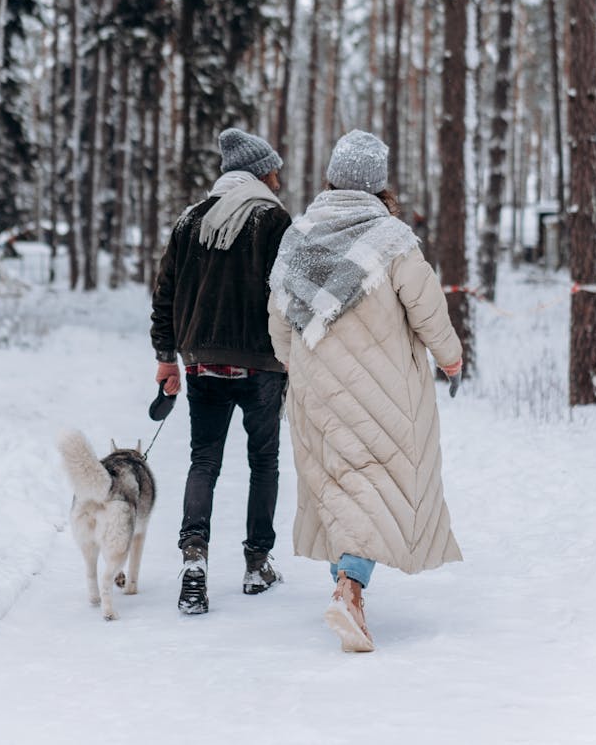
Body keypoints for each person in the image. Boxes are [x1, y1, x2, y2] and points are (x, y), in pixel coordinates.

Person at [268, 130, 462, 653]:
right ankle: (350, 588)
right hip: (383, 391)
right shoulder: (392, 239)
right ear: (380, 184)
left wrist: (298, 362)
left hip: (313, 390)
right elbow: (427, 309)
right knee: (371, 484)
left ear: (331, 176)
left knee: (335, 483)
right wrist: (450, 356)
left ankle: (346, 584)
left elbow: (279, 325)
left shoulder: (299, 237)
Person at [151, 127, 292, 614]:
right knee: (264, 462)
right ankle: (257, 563)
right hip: (260, 364)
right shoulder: (272, 219)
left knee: (203, 461)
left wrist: (167, 357)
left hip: (202, 361)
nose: (279, 177)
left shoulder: (190, 221)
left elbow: (165, 294)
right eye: (275, 169)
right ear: (260, 172)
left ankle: (194, 557)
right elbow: (289, 294)